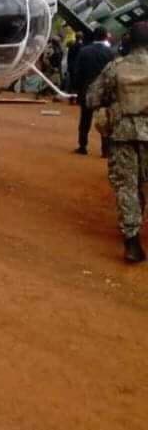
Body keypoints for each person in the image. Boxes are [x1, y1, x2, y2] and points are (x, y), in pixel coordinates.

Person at [87, 20, 148, 263]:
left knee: (127, 186)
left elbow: (92, 97)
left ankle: (132, 242)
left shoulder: (116, 67)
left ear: (128, 42)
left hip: (122, 135)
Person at [73, 25, 114, 156]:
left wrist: (78, 89)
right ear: (105, 36)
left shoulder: (84, 51)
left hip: (87, 89)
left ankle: (83, 146)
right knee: (105, 119)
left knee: (85, 118)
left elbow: (77, 72)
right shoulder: (111, 53)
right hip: (104, 91)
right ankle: (105, 149)